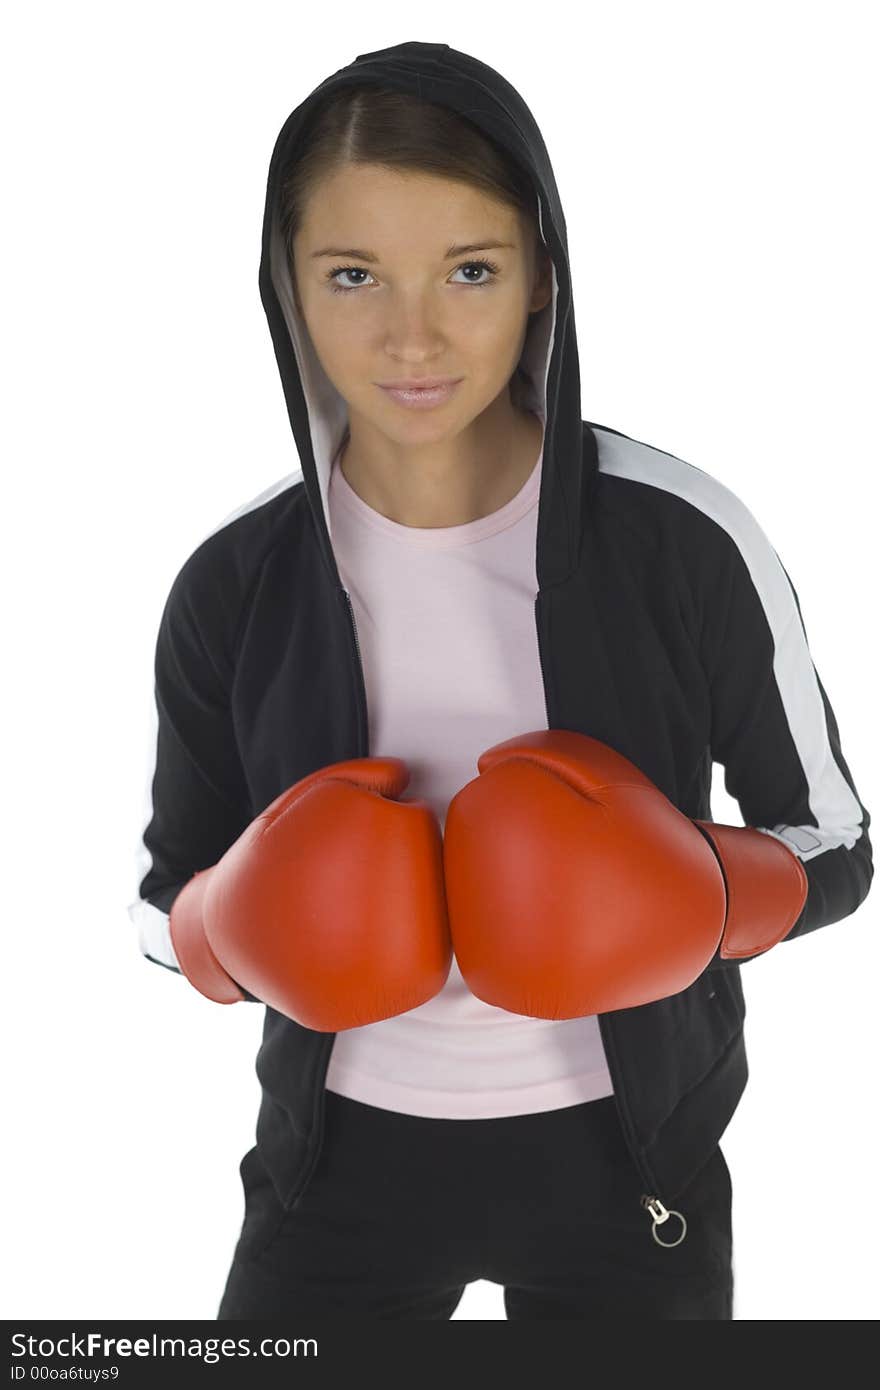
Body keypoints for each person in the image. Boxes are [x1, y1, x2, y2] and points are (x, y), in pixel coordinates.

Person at [127, 40, 873, 1320]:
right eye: (352, 274)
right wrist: (230, 925)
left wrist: (685, 894)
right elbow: (158, 899)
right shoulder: (233, 582)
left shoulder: (681, 534)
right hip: (333, 1173)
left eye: (469, 270)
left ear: (540, 277)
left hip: (631, 1163)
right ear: (286, 291)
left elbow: (838, 844)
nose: (411, 336)